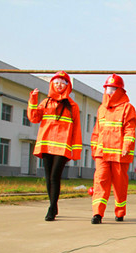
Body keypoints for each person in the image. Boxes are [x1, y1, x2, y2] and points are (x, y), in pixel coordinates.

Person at [27, 70, 82, 221]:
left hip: (62, 147)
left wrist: (76, 151)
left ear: (67, 86)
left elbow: (76, 129)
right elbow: (34, 118)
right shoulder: (45, 103)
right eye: (56, 83)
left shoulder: (73, 106)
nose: (59, 86)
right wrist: (33, 100)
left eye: (62, 83)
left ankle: (51, 208)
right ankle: (53, 204)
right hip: (46, 146)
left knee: (54, 177)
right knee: (48, 177)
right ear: (52, 84)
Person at [90, 74, 136, 224]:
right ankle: (97, 214)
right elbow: (96, 131)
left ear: (120, 91)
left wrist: (127, 146)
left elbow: (130, 130)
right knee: (100, 182)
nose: (109, 92)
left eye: (112, 89)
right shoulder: (101, 109)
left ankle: (120, 212)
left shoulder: (127, 108)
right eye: (107, 89)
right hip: (102, 154)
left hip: (119, 155)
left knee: (120, 185)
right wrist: (94, 150)